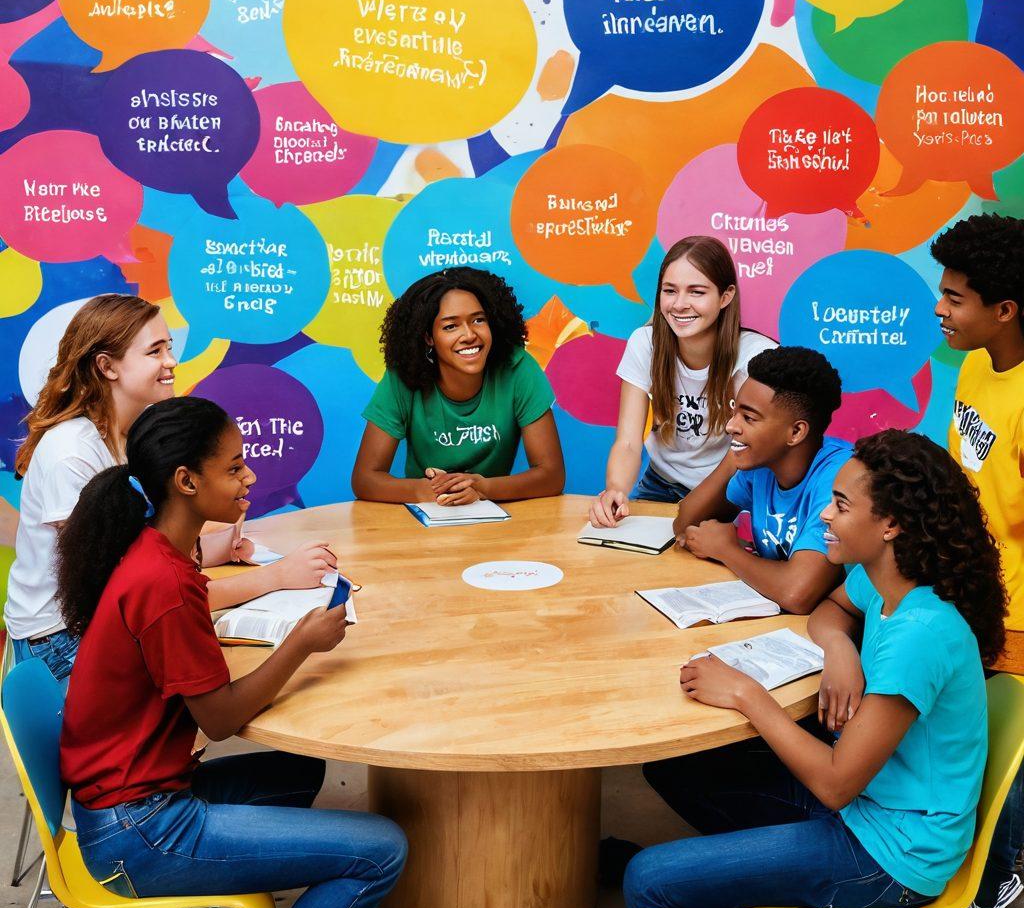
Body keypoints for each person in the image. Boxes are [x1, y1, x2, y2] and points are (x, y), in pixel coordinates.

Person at [625, 429, 1006, 908]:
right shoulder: (884, 577)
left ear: (890, 523)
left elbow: (834, 784)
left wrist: (746, 692)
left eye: (841, 506)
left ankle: (734, 879)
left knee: (647, 880)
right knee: (675, 766)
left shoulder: (921, 634)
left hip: (892, 856)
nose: (825, 514)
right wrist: (840, 650)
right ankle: (739, 878)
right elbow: (829, 610)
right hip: (867, 803)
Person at [56, 397, 406, 908]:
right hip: (137, 832)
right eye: (234, 466)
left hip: (122, 797)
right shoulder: (165, 584)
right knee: (383, 850)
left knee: (299, 771)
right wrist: (302, 643)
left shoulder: (156, 549)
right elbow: (219, 721)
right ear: (187, 481)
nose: (250, 475)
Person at [4, 294, 337, 683]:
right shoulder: (71, 453)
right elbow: (137, 592)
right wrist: (276, 576)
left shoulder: (135, 433)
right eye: (155, 351)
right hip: (60, 641)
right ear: (107, 366)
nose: (171, 362)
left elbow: (139, 549)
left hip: (100, 617)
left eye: (169, 348)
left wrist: (211, 548)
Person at [932, 213, 1024, 908]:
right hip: (976, 598)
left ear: (1003, 310)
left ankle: (992, 890)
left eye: (955, 298)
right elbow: (968, 479)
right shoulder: (971, 365)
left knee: (1009, 764)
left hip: (1019, 616)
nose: (940, 308)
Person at [589, 236, 775, 527]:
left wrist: (695, 507)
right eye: (669, 291)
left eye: (697, 292)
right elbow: (627, 442)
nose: (679, 304)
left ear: (725, 296)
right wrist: (615, 489)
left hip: (730, 492)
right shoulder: (645, 344)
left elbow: (742, 454)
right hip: (661, 486)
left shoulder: (756, 357)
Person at [352, 267, 564, 505]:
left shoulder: (518, 368)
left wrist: (483, 487)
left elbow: (552, 476)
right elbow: (364, 479)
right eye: (450, 326)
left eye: (478, 320)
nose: (469, 335)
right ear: (428, 337)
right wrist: (425, 490)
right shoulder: (403, 377)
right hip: (422, 522)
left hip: (497, 521)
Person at [673, 345, 849, 615]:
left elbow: (797, 593)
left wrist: (727, 550)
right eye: (734, 412)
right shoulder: (762, 464)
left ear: (796, 432)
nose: (730, 425)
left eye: (748, 417)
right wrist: (737, 452)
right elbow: (686, 524)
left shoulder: (840, 478)